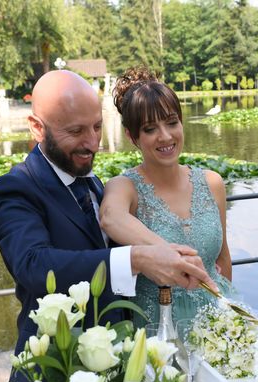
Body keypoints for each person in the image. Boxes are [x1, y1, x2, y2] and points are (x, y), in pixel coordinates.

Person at [0, 70, 215, 382]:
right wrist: (135, 259)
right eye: (76, 131)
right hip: (53, 378)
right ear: (37, 127)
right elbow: (34, 266)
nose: (93, 143)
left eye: (96, 126)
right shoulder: (14, 189)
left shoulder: (91, 182)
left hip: (115, 370)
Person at [100, 67, 234, 328]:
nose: (165, 136)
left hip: (216, 324)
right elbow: (109, 216)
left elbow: (223, 260)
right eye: (150, 129)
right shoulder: (124, 187)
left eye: (172, 122)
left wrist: (225, 324)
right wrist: (171, 254)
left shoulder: (212, 182)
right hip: (158, 331)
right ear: (132, 136)